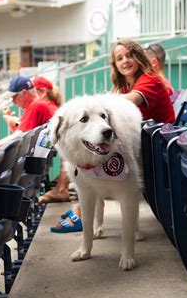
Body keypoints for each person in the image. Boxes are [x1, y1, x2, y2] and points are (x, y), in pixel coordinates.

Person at [49, 39, 175, 233]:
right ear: (115, 64)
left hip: (159, 143)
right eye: (119, 58)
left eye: (129, 55)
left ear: (139, 57)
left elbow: (130, 100)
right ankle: (87, 212)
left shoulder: (150, 79)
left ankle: (81, 212)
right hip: (144, 140)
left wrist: (90, 103)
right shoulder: (125, 84)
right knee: (85, 147)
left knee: (96, 157)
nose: (125, 61)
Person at [0, 76, 54, 164]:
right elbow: (22, 135)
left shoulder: (35, 106)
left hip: (27, 160)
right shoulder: (37, 105)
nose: (13, 102)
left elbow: (17, 136)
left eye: (14, 97)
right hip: (30, 158)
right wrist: (12, 123)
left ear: (25, 93)